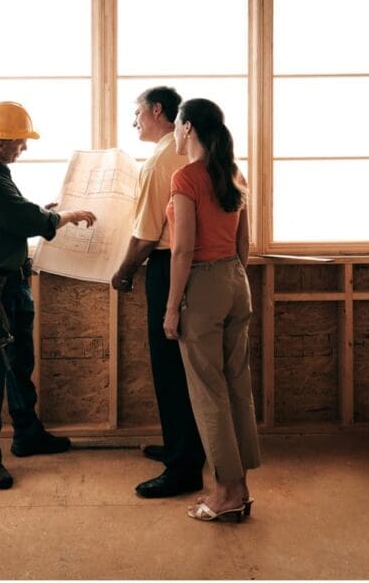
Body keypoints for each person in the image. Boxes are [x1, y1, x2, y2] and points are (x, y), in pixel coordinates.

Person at [0, 101, 97, 490]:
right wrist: (65, 216)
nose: (24, 147)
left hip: (10, 285)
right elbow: (28, 220)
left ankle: (27, 434)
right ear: (0, 142)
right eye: (20, 140)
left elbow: (15, 216)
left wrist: (39, 212)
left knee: (19, 363)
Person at [163, 98, 260, 523]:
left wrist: (172, 308)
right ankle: (240, 487)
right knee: (237, 386)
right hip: (236, 281)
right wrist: (233, 278)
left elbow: (182, 249)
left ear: (187, 128)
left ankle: (225, 494)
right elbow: (243, 243)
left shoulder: (186, 177)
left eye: (176, 126)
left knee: (208, 392)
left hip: (203, 285)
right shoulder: (233, 173)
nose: (174, 133)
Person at [111, 87, 205, 498]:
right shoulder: (190, 152)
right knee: (185, 366)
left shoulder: (160, 162)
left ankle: (183, 467)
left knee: (169, 367)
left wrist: (123, 272)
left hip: (168, 266)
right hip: (201, 269)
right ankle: (181, 448)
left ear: (157, 111)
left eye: (137, 114)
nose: (134, 122)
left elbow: (147, 236)